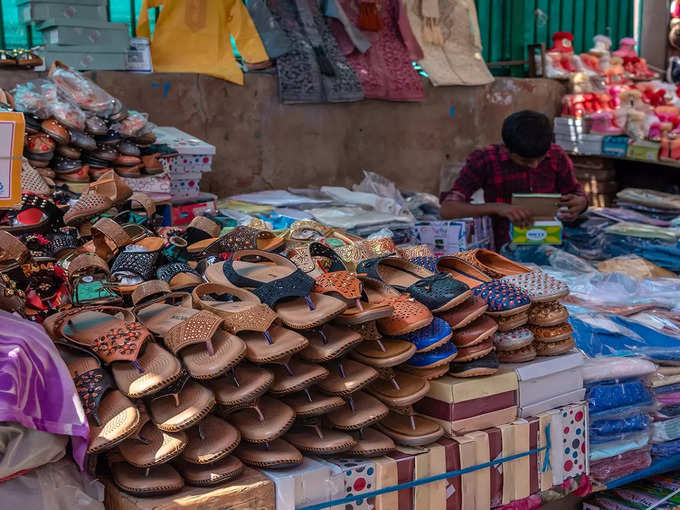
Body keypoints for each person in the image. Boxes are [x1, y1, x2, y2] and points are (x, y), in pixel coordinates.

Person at [440, 110, 588, 249]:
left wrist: (581, 203)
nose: (534, 165)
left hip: (551, 243)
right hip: (503, 249)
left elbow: (576, 193)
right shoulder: (485, 159)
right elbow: (448, 209)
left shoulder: (557, 155)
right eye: (525, 161)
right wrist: (498, 208)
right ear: (506, 149)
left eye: (540, 159)